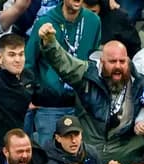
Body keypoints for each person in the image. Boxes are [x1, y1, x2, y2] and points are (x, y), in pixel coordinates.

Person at [39, 23, 144, 164]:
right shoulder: (87, 74)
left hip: (124, 156)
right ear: (102, 62)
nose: (118, 66)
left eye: (122, 61)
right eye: (112, 61)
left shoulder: (139, 83)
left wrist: (142, 120)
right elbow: (64, 64)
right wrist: (50, 42)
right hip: (89, 153)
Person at [25, 0, 102, 143]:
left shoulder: (93, 21)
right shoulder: (45, 22)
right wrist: (32, 94)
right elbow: (29, 62)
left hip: (81, 106)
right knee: (49, 153)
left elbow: (94, 60)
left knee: (79, 153)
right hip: (50, 106)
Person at [42, 114, 106, 164]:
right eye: (67, 136)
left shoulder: (91, 152)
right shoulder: (47, 160)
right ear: (58, 138)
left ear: (81, 135)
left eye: (76, 134)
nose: (73, 140)